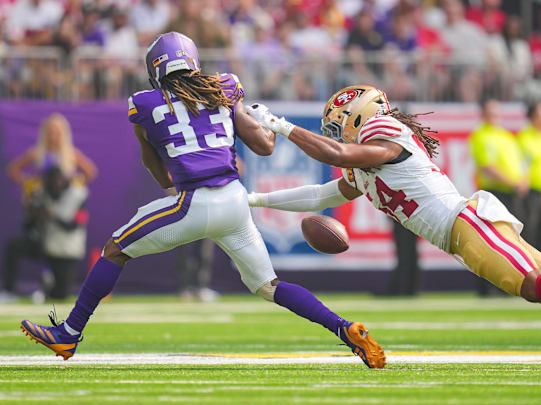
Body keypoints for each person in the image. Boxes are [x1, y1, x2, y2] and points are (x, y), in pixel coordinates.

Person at [20, 32, 385, 369]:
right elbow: (265, 147)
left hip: (193, 201)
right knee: (267, 286)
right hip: (235, 201)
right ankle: (343, 328)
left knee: (115, 249)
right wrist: (262, 120)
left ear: (155, 68)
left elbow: (156, 167)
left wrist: (178, 189)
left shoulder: (143, 104)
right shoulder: (225, 87)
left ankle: (69, 334)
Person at [246, 85, 541, 342]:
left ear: (362, 113)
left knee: (534, 287)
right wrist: (255, 201)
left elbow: (342, 152)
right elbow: (320, 196)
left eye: (340, 118)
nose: (334, 127)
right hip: (465, 229)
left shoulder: (385, 132)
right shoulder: (364, 165)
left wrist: (283, 127)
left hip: (465, 224)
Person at [2, 166, 89, 303]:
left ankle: (49, 285)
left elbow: (75, 226)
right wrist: (32, 214)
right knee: (14, 246)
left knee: (60, 295)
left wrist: (52, 215)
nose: (53, 189)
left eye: (56, 185)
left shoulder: (79, 195)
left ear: (64, 183)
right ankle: (8, 291)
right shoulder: (40, 194)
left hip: (66, 251)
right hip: (45, 244)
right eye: (50, 185)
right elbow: (28, 227)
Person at [469, 99, 527, 217]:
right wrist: (513, 183)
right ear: (483, 115)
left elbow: (521, 162)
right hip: (495, 193)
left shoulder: (506, 135)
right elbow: (487, 167)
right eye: (491, 114)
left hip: (514, 192)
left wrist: (524, 180)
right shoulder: (481, 136)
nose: (495, 117)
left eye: (496, 114)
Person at [7, 113, 97, 189]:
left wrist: (74, 186)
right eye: (50, 132)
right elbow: (13, 169)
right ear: (44, 133)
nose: (53, 136)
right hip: (43, 197)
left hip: (65, 199)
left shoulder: (72, 154)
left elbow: (90, 171)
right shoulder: (36, 153)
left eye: (57, 132)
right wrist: (30, 184)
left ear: (63, 134)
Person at [517, 101, 541, 252]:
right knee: (530, 234)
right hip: (529, 192)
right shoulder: (525, 138)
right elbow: (520, 164)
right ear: (533, 117)